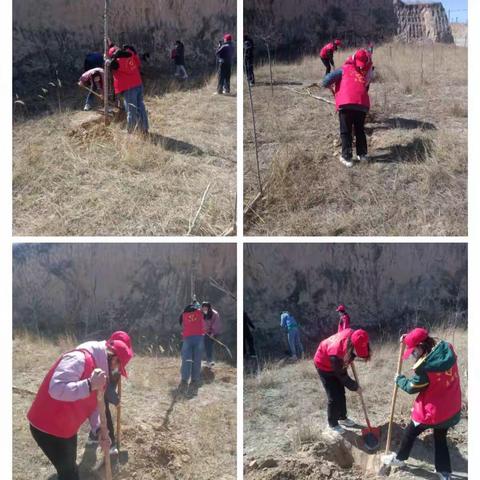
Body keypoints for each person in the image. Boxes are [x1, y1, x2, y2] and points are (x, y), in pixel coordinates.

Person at [27, 336, 133, 480]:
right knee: (69, 474)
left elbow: (96, 405)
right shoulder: (79, 359)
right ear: (113, 358)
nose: (115, 370)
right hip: (47, 428)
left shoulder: (100, 371)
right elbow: (56, 388)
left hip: (66, 428)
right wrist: (89, 384)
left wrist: (99, 430)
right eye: (117, 366)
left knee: (70, 470)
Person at [383, 328, 462, 480]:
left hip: (434, 411)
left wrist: (399, 379)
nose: (412, 355)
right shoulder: (447, 349)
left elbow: (412, 388)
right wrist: (408, 339)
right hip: (451, 407)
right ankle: (444, 473)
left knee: (410, 432)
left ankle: (399, 459)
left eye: (413, 351)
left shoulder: (426, 369)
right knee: (440, 438)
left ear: (421, 347)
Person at [322, 48, 374, 168]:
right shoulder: (362, 73)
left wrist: (330, 85)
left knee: (346, 131)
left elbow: (325, 81)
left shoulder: (342, 69)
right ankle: (362, 154)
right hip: (362, 105)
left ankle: (347, 157)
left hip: (346, 104)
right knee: (359, 129)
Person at [314, 328, 371, 434]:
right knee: (334, 396)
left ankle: (342, 418)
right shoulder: (336, 354)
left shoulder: (357, 335)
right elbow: (342, 376)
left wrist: (351, 356)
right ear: (351, 345)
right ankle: (333, 423)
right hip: (323, 364)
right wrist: (355, 386)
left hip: (337, 362)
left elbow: (344, 366)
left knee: (341, 393)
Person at [85, 331, 133, 455]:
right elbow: (106, 388)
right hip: (99, 388)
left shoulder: (115, 363)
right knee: (104, 412)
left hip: (104, 388)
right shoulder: (103, 360)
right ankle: (110, 444)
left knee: (101, 412)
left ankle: (93, 436)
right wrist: (116, 400)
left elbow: (113, 381)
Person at [107, 41, 149, 134]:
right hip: (138, 84)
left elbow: (109, 65)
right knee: (141, 107)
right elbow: (138, 63)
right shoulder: (130, 56)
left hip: (129, 88)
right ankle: (144, 129)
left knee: (131, 110)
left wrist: (107, 59)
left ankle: (131, 131)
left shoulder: (116, 62)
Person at [178, 301, 206, 395]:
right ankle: (194, 380)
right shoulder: (199, 313)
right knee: (197, 360)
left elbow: (180, 323)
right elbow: (205, 313)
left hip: (187, 338)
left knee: (186, 360)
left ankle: (184, 380)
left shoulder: (184, 314)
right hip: (198, 338)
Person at [202, 301, 221, 367]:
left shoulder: (215, 314)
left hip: (213, 333)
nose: (204, 310)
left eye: (206, 308)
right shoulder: (203, 313)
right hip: (205, 333)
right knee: (206, 346)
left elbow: (216, 325)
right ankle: (208, 360)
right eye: (203, 308)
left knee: (209, 345)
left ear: (209, 308)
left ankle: (210, 360)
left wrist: (212, 334)